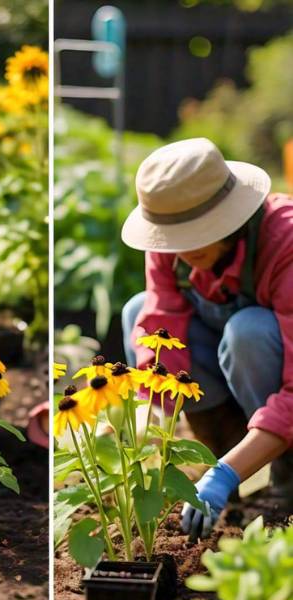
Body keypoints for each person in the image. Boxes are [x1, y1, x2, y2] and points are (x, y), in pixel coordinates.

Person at [121, 138, 293, 541]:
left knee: (247, 332)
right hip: (230, 375)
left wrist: (222, 475)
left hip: (272, 364)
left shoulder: (283, 241)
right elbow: (159, 326)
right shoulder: (169, 231)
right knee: (138, 312)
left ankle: (285, 479)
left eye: (195, 233)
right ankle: (231, 455)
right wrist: (145, 434)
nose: (178, 248)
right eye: (172, 236)